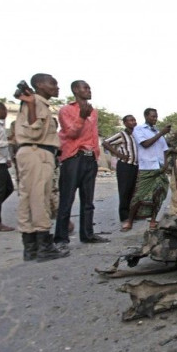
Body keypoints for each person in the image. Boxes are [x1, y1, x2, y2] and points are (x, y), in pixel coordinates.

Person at [14, 73, 69, 261]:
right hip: (37, 153)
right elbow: (33, 130)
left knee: (28, 199)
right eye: (52, 83)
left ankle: (30, 248)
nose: (57, 87)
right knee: (39, 199)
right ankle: (44, 246)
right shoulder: (34, 102)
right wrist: (30, 104)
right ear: (38, 84)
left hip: (31, 153)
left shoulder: (36, 102)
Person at [54, 80, 108, 246]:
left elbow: (93, 134)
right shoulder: (66, 110)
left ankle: (87, 234)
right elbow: (71, 133)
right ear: (76, 90)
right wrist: (82, 117)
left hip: (89, 157)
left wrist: (96, 155)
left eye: (89, 87)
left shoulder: (94, 112)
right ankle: (61, 238)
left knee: (88, 200)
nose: (89, 90)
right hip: (73, 158)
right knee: (67, 199)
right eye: (85, 88)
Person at [121, 108, 170, 231]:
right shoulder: (139, 130)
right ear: (146, 116)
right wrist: (161, 134)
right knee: (139, 195)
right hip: (147, 167)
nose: (155, 119)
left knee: (159, 194)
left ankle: (153, 219)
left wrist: (165, 164)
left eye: (156, 116)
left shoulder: (157, 131)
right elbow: (145, 144)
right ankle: (130, 220)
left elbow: (165, 149)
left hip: (159, 167)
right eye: (153, 116)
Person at [103, 115, 139, 229]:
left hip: (134, 165)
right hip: (125, 165)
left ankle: (131, 213)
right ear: (125, 123)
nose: (133, 122)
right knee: (124, 190)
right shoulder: (122, 135)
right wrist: (118, 154)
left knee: (133, 190)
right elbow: (106, 143)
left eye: (134, 120)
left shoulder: (136, 135)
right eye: (130, 120)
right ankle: (124, 216)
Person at [0, 102, 14, 232]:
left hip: (0, 161)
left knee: (8, 189)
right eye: (5, 110)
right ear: (0, 110)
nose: (6, 113)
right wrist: (8, 142)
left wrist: (7, 159)